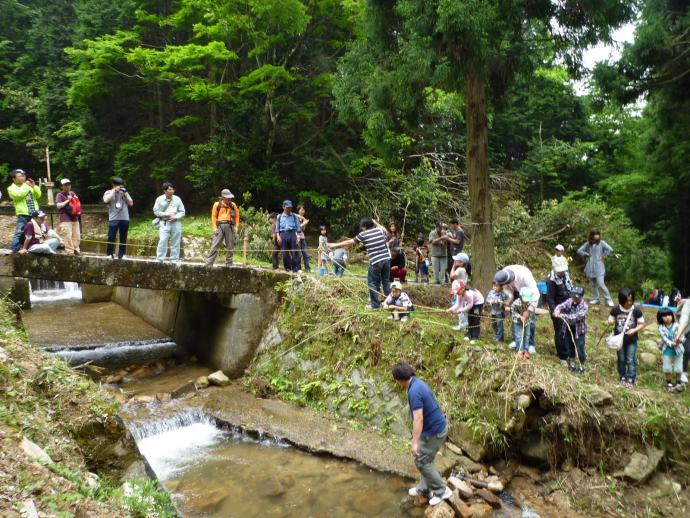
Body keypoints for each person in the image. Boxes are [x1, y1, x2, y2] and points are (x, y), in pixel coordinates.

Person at [391, 362, 452, 507]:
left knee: (421, 461)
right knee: (426, 459)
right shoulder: (418, 383)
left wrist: (414, 442)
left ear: (400, 379)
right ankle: (424, 489)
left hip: (434, 432)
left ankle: (442, 491)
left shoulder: (414, 391)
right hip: (437, 428)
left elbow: (418, 418)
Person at [330, 218, 391, 309]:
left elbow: (349, 242)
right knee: (386, 282)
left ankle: (374, 304)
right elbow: (386, 231)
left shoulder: (364, 234)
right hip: (386, 259)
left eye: (362, 227)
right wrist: (376, 223)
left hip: (376, 261)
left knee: (371, 282)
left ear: (364, 227)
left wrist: (334, 245)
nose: (362, 229)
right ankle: (390, 303)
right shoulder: (379, 230)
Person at [495, 265, 540, 354]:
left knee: (530, 320)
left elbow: (536, 294)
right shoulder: (502, 275)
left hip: (529, 294)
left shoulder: (524, 276)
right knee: (515, 317)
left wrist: (528, 310)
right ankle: (517, 341)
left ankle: (530, 344)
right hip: (517, 293)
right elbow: (506, 289)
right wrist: (510, 297)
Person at [608, 288, 646, 388]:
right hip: (619, 340)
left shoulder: (636, 310)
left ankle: (631, 378)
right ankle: (622, 376)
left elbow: (642, 323)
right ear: (621, 300)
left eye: (631, 300)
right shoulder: (615, 309)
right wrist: (610, 321)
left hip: (632, 340)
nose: (629, 303)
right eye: (627, 300)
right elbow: (610, 318)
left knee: (630, 359)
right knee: (621, 359)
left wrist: (634, 330)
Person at [553, 286, 588, 373]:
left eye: (577, 297)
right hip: (569, 329)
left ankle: (581, 364)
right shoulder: (570, 301)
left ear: (581, 297)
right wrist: (557, 310)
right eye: (573, 296)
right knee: (569, 346)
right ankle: (572, 361)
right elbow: (560, 306)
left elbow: (575, 317)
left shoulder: (584, 307)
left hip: (579, 331)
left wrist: (562, 315)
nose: (574, 298)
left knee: (579, 348)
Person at [544, 264, 575, 360]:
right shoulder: (550, 281)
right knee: (560, 332)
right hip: (558, 310)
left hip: (569, 307)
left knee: (570, 330)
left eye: (563, 271)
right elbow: (550, 299)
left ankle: (571, 352)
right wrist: (555, 312)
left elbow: (570, 288)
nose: (562, 273)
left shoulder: (566, 275)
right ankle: (562, 355)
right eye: (560, 271)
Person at [8, 169, 41, 253]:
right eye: (20, 176)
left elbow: (38, 195)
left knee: (35, 231)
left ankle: (33, 249)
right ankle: (14, 251)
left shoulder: (28, 186)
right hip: (23, 214)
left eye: (23, 175)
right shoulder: (11, 188)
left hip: (34, 213)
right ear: (14, 179)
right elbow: (18, 195)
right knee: (20, 232)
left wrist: (34, 186)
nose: (23, 177)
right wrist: (27, 186)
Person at [577, 229, 614, 306]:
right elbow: (579, 250)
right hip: (590, 267)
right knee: (594, 285)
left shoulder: (602, 243)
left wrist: (604, 255)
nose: (597, 236)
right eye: (595, 234)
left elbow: (610, 249)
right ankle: (596, 299)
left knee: (601, 284)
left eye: (598, 234)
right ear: (592, 235)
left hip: (599, 266)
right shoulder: (588, 244)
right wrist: (587, 254)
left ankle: (608, 300)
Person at [153, 182, 185, 263]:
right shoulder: (159, 199)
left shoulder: (177, 199)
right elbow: (156, 211)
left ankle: (174, 260)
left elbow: (182, 211)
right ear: (165, 190)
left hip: (176, 223)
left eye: (172, 189)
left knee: (176, 241)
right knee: (163, 240)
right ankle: (159, 259)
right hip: (164, 223)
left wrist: (176, 217)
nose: (172, 191)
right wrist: (165, 214)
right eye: (170, 189)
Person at [207, 189, 240, 267]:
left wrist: (236, 226)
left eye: (230, 197)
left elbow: (237, 216)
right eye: (227, 197)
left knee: (230, 245)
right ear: (222, 197)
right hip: (219, 226)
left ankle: (229, 263)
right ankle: (209, 263)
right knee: (215, 244)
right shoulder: (216, 205)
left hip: (230, 226)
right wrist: (215, 228)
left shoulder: (233, 205)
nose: (229, 199)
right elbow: (214, 217)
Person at [103, 177, 133, 259]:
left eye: (120, 185)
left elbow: (131, 203)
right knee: (111, 236)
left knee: (123, 237)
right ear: (113, 184)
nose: (119, 186)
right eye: (117, 185)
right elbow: (106, 200)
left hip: (125, 217)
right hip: (113, 218)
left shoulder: (124, 192)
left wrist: (125, 193)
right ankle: (109, 254)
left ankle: (122, 254)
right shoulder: (108, 192)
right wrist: (114, 190)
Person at [657, 309, 685, 393]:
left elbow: (682, 336)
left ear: (672, 316)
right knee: (667, 367)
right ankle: (669, 383)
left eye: (669, 315)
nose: (667, 318)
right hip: (667, 349)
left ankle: (678, 383)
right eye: (664, 316)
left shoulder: (677, 325)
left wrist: (680, 340)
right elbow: (664, 338)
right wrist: (671, 343)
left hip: (678, 349)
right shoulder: (661, 327)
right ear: (660, 318)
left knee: (678, 367)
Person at [54, 178, 82, 256]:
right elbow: (58, 206)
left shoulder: (73, 193)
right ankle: (70, 251)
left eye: (68, 184)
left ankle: (76, 249)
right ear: (62, 186)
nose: (67, 186)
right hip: (65, 218)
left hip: (74, 217)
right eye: (65, 185)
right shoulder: (59, 195)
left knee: (77, 234)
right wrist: (67, 201)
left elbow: (77, 203)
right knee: (67, 235)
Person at [273, 200, 302, 273]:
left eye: (290, 208)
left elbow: (298, 227)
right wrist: (278, 236)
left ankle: (295, 268)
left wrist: (298, 236)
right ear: (283, 207)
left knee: (294, 252)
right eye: (287, 207)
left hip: (292, 234)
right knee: (285, 253)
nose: (289, 209)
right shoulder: (279, 216)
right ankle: (287, 268)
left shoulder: (294, 216)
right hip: (283, 234)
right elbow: (277, 228)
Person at [511, 287, 535, 359]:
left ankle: (526, 349)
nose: (526, 302)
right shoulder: (515, 303)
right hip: (517, 322)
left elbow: (531, 311)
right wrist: (520, 317)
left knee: (527, 335)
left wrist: (528, 315)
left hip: (527, 322)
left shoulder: (530, 303)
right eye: (525, 300)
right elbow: (513, 311)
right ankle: (520, 350)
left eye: (528, 300)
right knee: (519, 335)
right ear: (521, 297)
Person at [675, 296, 690, 383]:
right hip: (686, 329)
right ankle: (683, 372)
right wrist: (678, 335)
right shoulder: (688, 303)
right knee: (687, 350)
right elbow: (684, 319)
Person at [296, 205, 311, 272]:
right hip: (296, 237)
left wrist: (304, 224)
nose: (302, 211)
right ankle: (298, 268)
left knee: (305, 253)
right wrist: (304, 223)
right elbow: (296, 228)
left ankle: (307, 268)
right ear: (298, 210)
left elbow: (302, 229)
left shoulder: (303, 218)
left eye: (303, 210)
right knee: (298, 254)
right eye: (301, 210)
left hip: (302, 237)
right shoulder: (295, 217)